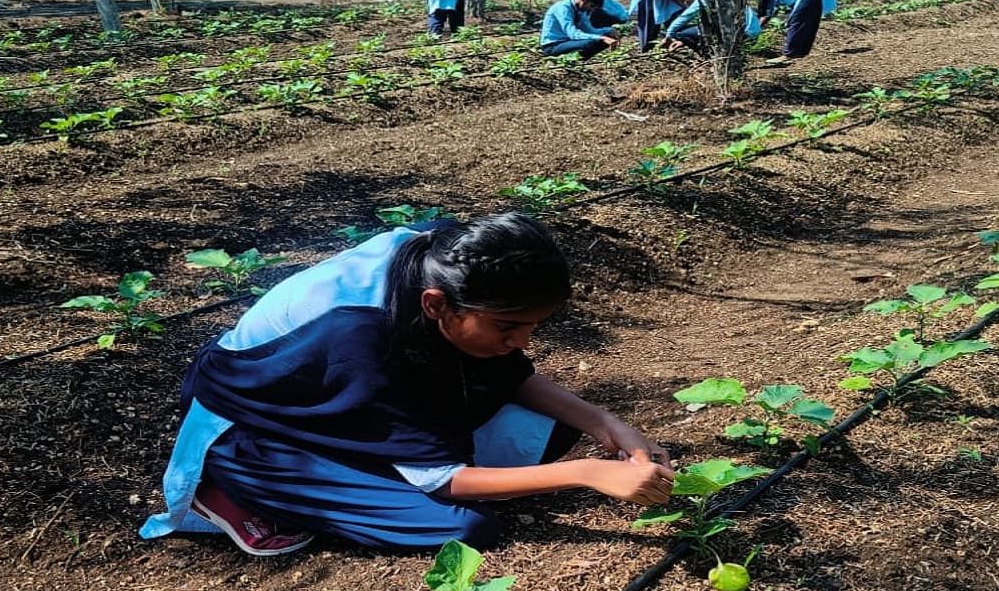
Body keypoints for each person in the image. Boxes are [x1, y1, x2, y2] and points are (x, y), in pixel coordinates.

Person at [140, 214, 674, 555]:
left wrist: (609, 426)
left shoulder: (448, 260)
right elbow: (441, 481)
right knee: (460, 527)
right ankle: (228, 485)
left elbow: (511, 375)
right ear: (438, 306)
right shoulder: (360, 335)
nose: (523, 343)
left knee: (554, 428)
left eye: (532, 328)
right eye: (509, 328)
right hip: (259, 424)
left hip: (334, 395)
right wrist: (583, 474)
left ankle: (357, 466)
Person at [758, 0, 837, 64]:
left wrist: (757, 28)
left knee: (797, 21)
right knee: (809, 21)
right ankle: (800, 52)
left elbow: (790, 2)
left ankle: (788, 55)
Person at [540, 0, 620, 61]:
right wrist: (601, 38)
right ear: (584, 0)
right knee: (592, 42)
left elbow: (589, 30)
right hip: (553, 46)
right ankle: (567, 61)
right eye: (591, 6)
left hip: (568, 42)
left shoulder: (581, 10)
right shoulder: (563, 8)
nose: (591, 10)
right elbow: (573, 34)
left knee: (604, 40)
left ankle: (575, 61)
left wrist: (608, 31)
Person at [661, 0, 762, 52]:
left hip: (741, 34)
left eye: (684, 1)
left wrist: (668, 36)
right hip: (754, 35)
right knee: (699, 29)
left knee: (680, 33)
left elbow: (685, 17)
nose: (684, 5)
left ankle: (710, 57)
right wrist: (684, 42)